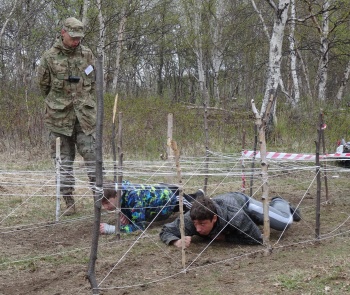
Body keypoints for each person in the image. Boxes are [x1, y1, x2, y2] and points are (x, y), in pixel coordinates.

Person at [37, 17, 96, 215]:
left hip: (84, 116)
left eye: (79, 38)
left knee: (92, 156)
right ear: (63, 33)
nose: (76, 41)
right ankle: (68, 201)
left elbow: (92, 80)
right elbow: (43, 86)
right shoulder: (49, 57)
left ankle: (101, 199)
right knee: (63, 160)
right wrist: (58, 103)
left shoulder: (87, 54)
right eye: (73, 38)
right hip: (58, 118)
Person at [159, 192, 301, 248]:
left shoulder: (235, 217)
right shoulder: (192, 218)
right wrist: (175, 241)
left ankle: (279, 202)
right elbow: (166, 230)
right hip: (227, 205)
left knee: (284, 222)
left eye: (202, 224)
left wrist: (226, 237)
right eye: (195, 224)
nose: (197, 229)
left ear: (214, 218)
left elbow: (257, 238)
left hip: (244, 204)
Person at [99, 181, 204, 234]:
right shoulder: (121, 191)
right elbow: (126, 205)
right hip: (159, 198)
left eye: (107, 203)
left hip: (171, 198)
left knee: (195, 206)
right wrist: (125, 214)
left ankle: (200, 196)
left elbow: (139, 227)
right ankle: (197, 194)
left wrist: (111, 229)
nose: (105, 207)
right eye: (102, 204)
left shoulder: (134, 197)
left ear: (116, 195)